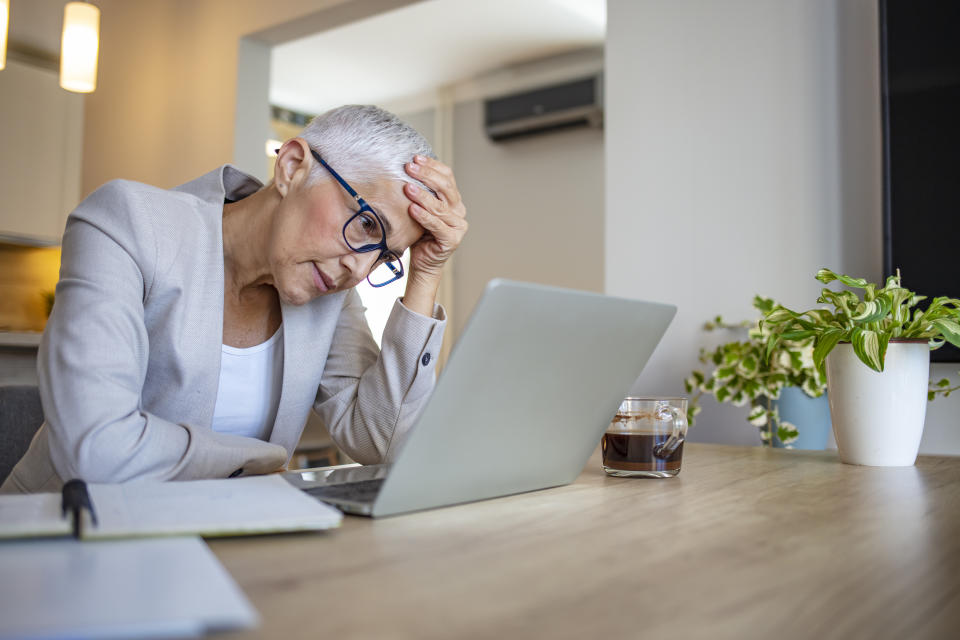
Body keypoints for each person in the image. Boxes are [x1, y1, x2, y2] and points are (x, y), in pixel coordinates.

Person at [1, 105, 467, 493]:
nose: (359, 270)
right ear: (291, 167)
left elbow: (381, 443)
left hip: (225, 546)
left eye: (385, 257)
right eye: (368, 225)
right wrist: (260, 460)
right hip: (60, 541)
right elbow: (95, 450)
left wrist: (425, 273)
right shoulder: (129, 223)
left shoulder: (328, 289)